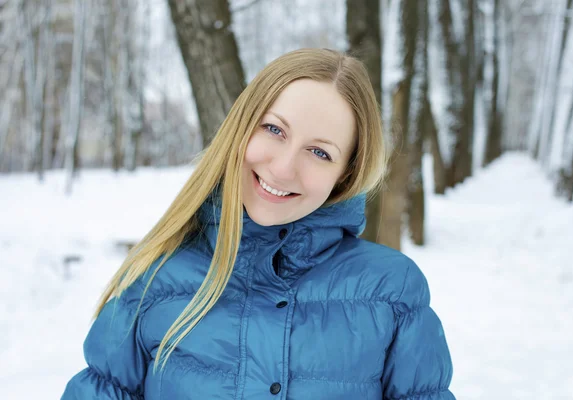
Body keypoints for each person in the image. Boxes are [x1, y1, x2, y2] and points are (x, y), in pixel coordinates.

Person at [61, 48, 454, 400]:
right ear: (242, 126)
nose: (283, 168)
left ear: (345, 174)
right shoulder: (155, 274)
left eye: (319, 152)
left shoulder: (392, 293)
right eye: (274, 129)